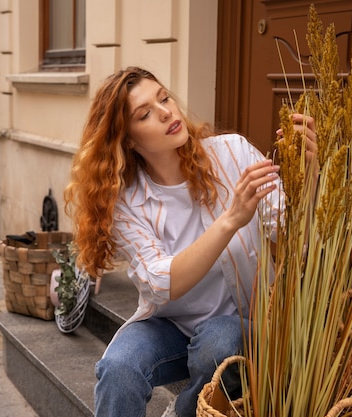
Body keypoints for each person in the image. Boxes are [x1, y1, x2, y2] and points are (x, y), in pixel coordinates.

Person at [64, 66, 317, 417]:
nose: (167, 112)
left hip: (238, 326)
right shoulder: (126, 203)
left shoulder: (233, 154)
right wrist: (230, 220)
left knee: (219, 341)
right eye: (146, 113)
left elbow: (291, 242)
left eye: (164, 97)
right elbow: (160, 284)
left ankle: (185, 412)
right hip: (169, 327)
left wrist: (310, 178)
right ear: (128, 140)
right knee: (118, 368)